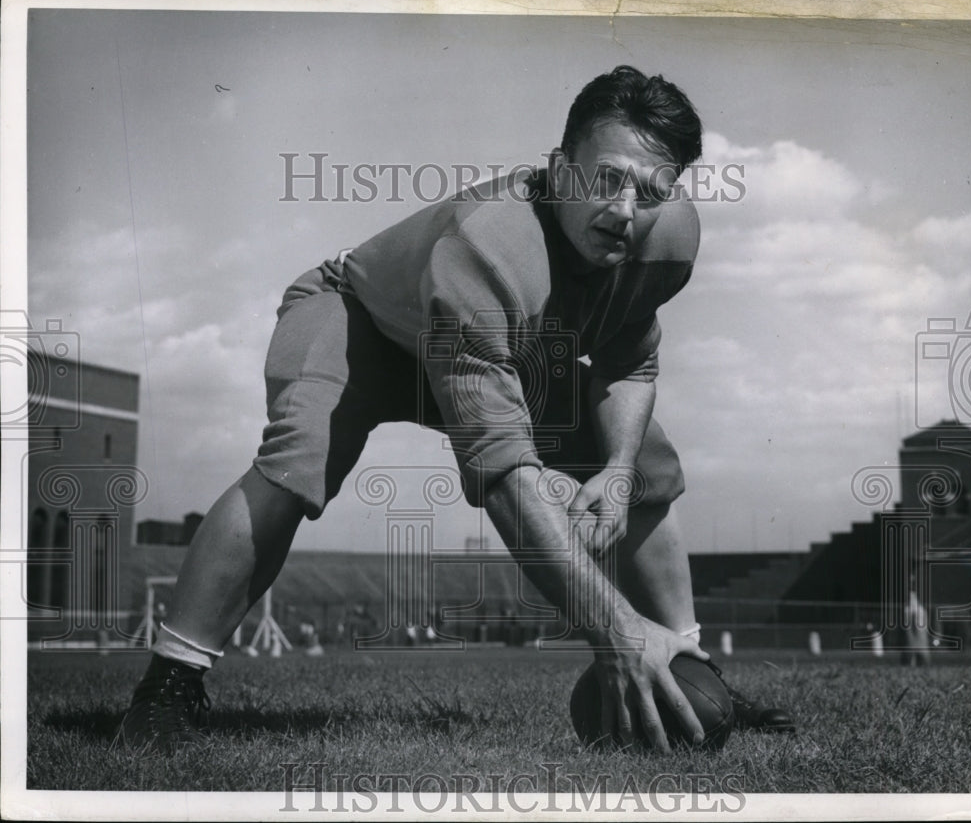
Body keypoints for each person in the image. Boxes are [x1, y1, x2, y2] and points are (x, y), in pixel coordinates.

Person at [116, 65, 794, 754]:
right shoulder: (488, 247)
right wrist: (613, 631)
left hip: (511, 351)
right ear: (559, 170)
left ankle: (689, 666)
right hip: (365, 326)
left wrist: (617, 470)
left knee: (647, 459)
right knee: (297, 462)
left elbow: (630, 364)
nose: (624, 209)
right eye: (604, 177)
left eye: (650, 190)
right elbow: (503, 477)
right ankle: (171, 679)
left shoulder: (667, 237)